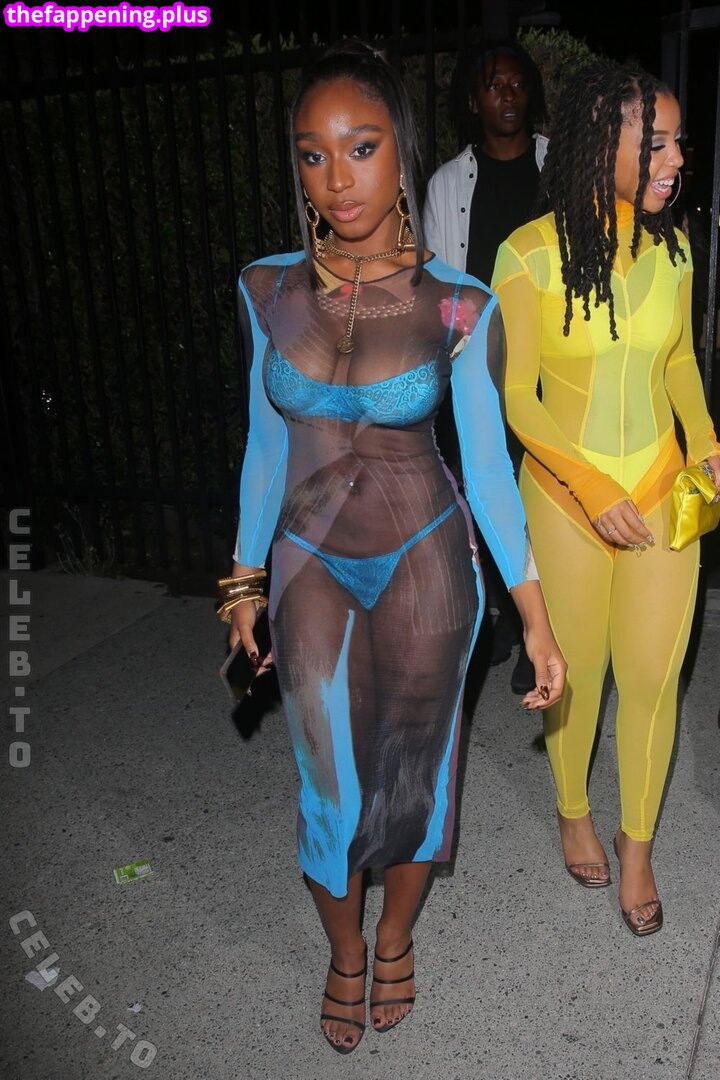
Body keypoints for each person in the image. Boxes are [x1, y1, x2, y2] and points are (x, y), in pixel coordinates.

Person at [226, 40, 565, 1054]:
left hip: (429, 563)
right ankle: (343, 952)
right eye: (313, 154)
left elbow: (490, 475)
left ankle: (397, 935)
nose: (337, 179)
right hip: (309, 566)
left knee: (418, 777)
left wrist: (537, 620)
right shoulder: (266, 291)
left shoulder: (458, 303)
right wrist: (241, 580)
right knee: (327, 783)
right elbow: (264, 447)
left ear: (401, 151)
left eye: (361, 147)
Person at [492, 60, 720, 936]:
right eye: (655, 145)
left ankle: (637, 846)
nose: (676, 160)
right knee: (576, 674)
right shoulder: (528, 253)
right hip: (564, 496)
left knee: (654, 679)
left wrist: (705, 441)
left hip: (661, 489)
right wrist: (586, 487)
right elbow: (517, 400)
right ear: (599, 144)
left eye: (677, 144)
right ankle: (572, 807)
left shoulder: (676, 247)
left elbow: (680, 362)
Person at [424, 39, 548, 693]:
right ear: (473, 101)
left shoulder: (558, 164)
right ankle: (497, 615)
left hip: (547, 359)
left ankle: (541, 629)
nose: (507, 95)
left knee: (542, 491)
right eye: (493, 85)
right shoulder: (448, 182)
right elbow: (436, 279)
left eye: (516, 83)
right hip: (476, 362)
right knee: (483, 487)